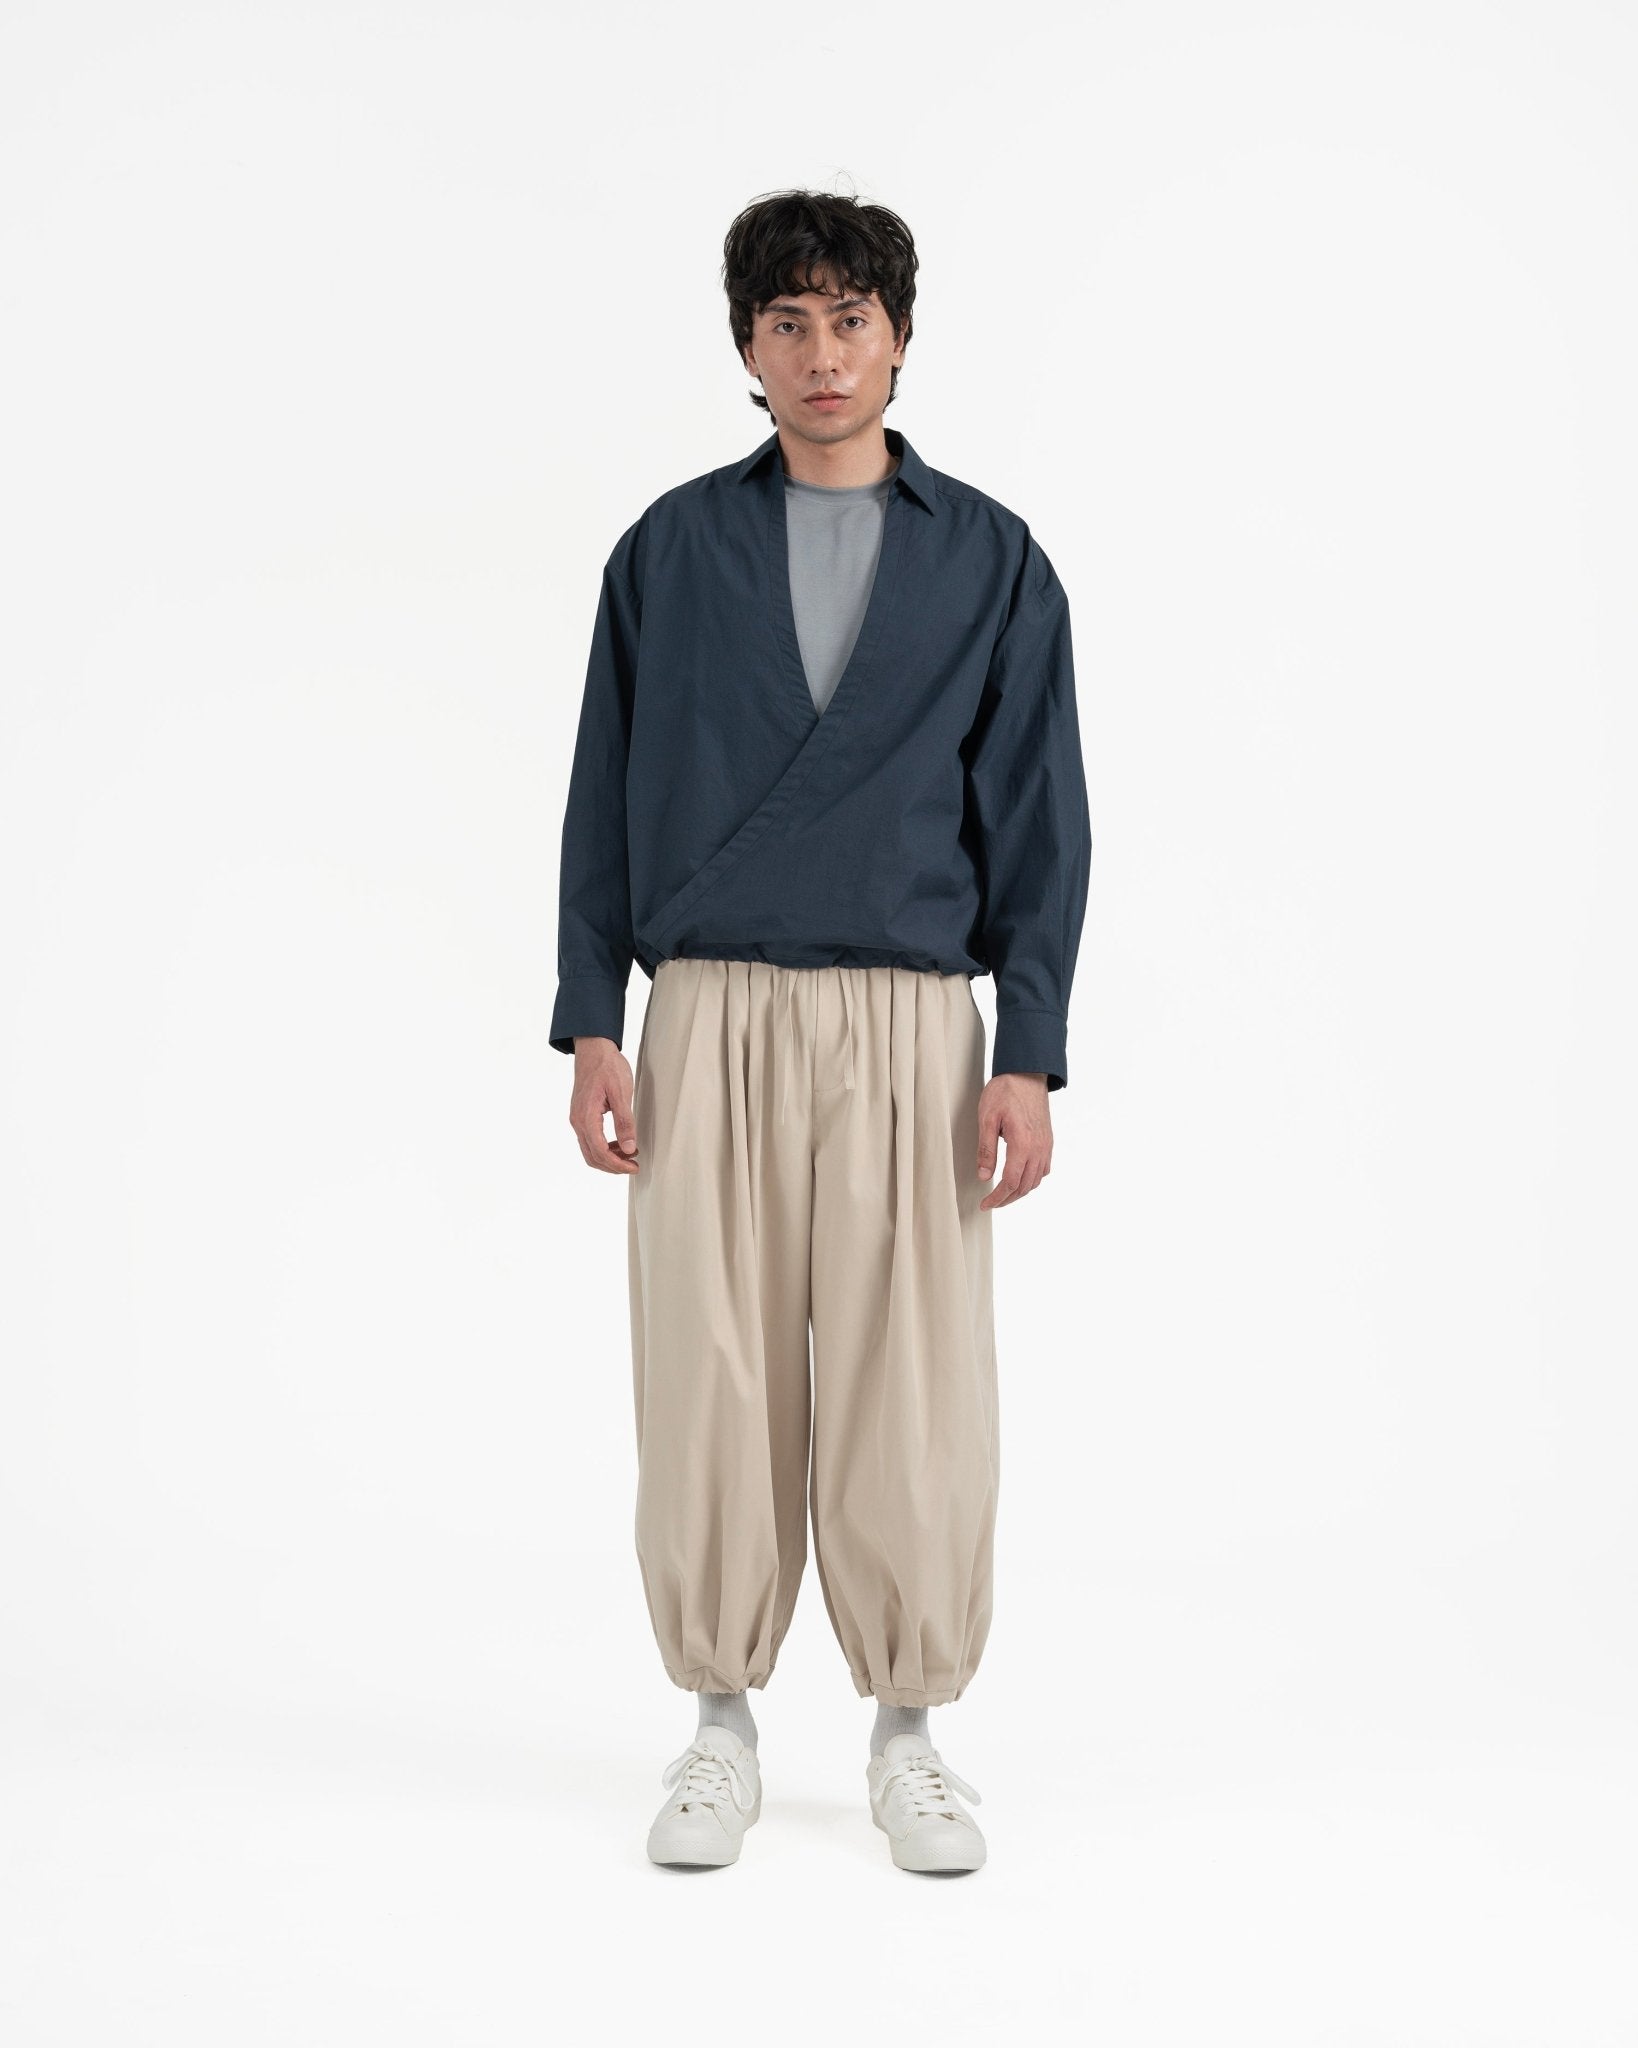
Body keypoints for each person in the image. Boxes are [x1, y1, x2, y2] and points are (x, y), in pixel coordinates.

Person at [549, 189, 1092, 1873]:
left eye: (850, 317)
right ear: (746, 346)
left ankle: (909, 1733)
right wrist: (591, 1017)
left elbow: (1040, 815)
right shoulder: (668, 551)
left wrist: (1026, 1045)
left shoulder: (989, 557)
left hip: (913, 1019)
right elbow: (600, 792)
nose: (822, 352)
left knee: (909, 1376)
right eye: (787, 321)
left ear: (900, 336)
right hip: (707, 1005)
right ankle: (716, 1722)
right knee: (707, 1368)